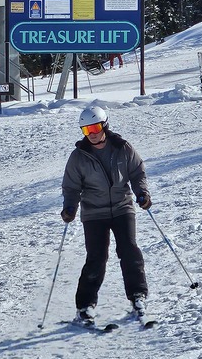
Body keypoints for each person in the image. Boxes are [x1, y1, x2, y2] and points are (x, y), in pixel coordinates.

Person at [60, 105, 151, 323]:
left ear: (104, 125)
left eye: (94, 128)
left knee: (129, 250)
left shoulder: (122, 148)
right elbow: (71, 187)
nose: (91, 134)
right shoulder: (78, 157)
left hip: (122, 206)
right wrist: (70, 207)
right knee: (97, 257)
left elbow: (137, 172)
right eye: (86, 130)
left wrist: (142, 193)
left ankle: (137, 296)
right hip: (94, 212)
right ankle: (85, 306)